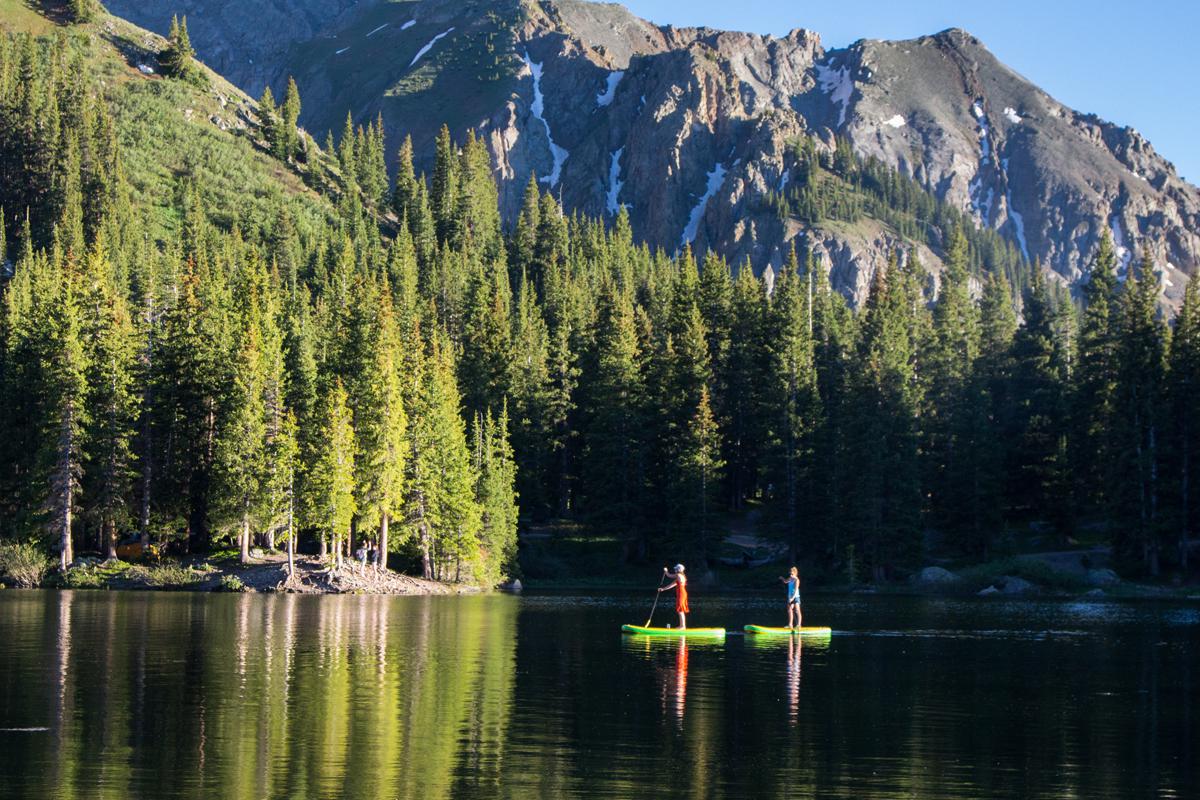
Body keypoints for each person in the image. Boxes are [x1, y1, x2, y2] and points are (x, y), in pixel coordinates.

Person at [658, 564, 689, 630]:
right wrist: (663, 589)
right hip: (682, 594)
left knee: (680, 609)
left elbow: (669, 575)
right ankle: (682, 626)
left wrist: (666, 571)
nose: (675, 570)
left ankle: (682, 626)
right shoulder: (679, 577)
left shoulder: (678, 575)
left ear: (679, 569)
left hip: (681, 594)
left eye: (676, 569)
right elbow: (671, 585)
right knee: (680, 610)